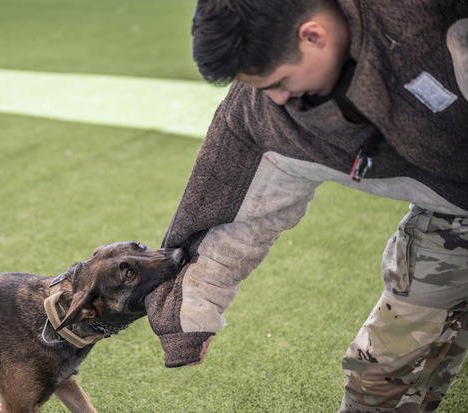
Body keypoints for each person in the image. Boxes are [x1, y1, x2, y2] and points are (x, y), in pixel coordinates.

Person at [144, 1, 468, 411]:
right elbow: (233, 214)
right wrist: (190, 314)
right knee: (377, 384)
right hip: (455, 217)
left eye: (279, 82)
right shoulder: (261, 110)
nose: (277, 99)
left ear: (313, 36)